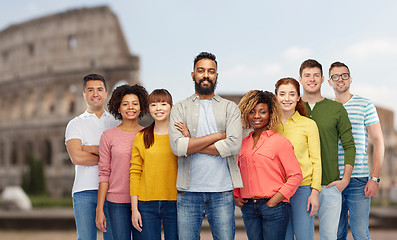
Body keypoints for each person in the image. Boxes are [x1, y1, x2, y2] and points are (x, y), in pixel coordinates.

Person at [168, 52, 243, 240]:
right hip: (188, 192)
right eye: (201, 71)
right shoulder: (179, 108)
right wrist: (218, 136)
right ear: (193, 75)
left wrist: (191, 142)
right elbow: (178, 148)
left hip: (222, 191)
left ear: (217, 75)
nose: (206, 75)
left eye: (211, 71)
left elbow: (233, 146)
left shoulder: (230, 108)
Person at [299, 59, 356, 240]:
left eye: (316, 75)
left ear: (323, 79)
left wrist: (345, 179)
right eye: (307, 75)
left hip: (330, 185)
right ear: (300, 79)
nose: (312, 79)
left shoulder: (336, 109)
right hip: (301, 185)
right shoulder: (292, 107)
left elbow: (349, 146)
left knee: (330, 237)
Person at [234, 90, 303, 240]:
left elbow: (296, 175)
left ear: (271, 113)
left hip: (274, 207)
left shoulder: (280, 142)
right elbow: (237, 172)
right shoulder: (242, 144)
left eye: (262, 112)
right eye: (252, 112)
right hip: (249, 208)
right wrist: (235, 195)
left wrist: (275, 200)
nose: (257, 116)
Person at [328, 62, 384, 240]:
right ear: (329, 82)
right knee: (337, 234)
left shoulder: (365, 105)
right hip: (332, 180)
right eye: (335, 76)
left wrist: (374, 178)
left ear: (350, 79)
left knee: (360, 233)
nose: (340, 79)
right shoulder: (326, 108)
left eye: (344, 75)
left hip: (359, 180)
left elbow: (378, 142)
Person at [65, 73, 117, 240]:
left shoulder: (116, 123)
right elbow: (77, 158)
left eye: (100, 89)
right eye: (90, 90)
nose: (95, 93)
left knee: (113, 238)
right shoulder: (75, 124)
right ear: (84, 94)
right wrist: (109, 157)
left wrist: (91, 149)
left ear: (106, 93)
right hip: (84, 190)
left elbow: (123, 157)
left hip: (113, 190)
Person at [95, 84, 148, 240]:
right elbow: (104, 173)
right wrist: (100, 208)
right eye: (125, 104)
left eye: (135, 103)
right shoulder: (108, 136)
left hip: (143, 201)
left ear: (141, 107)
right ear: (118, 108)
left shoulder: (148, 135)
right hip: (116, 202)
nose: (130, 107)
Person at [274, 77, 322, 240]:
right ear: (276, 97)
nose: (287, 98)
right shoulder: (269, 126)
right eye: (282, 94)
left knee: (304, 237)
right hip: (277, 191)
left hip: (303, 190)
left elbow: (316, 160)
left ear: (298, 97)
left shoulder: (309, 125)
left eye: (291, 94)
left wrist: (314, 193)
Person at [130, 89, 179, 240]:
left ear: (171, 106)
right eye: (154, 104)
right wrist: (134, 209)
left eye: (163, 104)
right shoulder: (141, 137)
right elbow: (135, 173)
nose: (159, 108)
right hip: (146, 204)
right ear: (148, 108)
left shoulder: (179, 135)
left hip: (176, 202)